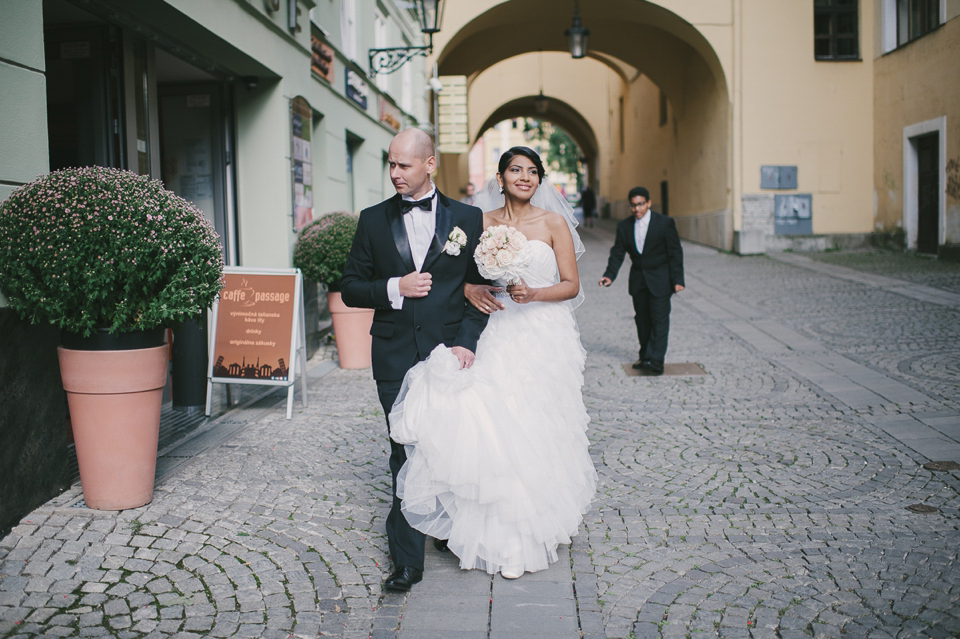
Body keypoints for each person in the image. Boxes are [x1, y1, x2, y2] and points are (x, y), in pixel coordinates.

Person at [388, 147, 597, 580]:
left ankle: (537, 517)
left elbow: (571, 286)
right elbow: (453, 276)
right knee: (494, 419)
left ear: (540, 181)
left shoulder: (554, 223)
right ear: (500, 178)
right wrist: (469, 290)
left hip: (543, 334)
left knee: (539, 423)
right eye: (516, 170)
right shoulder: (478, 223)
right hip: (496, 328)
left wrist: (535, 294)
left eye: (533, 172)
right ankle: (486, 520)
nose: (525, 177)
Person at [340, 128, 489, 592]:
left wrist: (467, 340)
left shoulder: (468, 217)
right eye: (390, 164)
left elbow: (478, 289)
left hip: (448, 353)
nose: (395, 173)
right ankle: (407, 559)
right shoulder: (371, 219)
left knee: (450, 444)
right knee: (403, 450)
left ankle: (447, 527)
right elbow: (350, 286)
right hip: (394, 351)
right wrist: (393, 288)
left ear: (429, 165)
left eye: (404, 165)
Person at [599, 186, 684, 375]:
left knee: (659, 321)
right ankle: (645, 355)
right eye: (633, 206)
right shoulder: (624, 226)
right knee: (642, 321)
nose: (637, 209)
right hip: (638, 281)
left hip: (661, 280)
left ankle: (657, 360)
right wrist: (609, 275)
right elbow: (618, 252)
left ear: (649, 203)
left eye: (640, 204)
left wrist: (678, 279)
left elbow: (675, 253)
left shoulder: (664, 223)